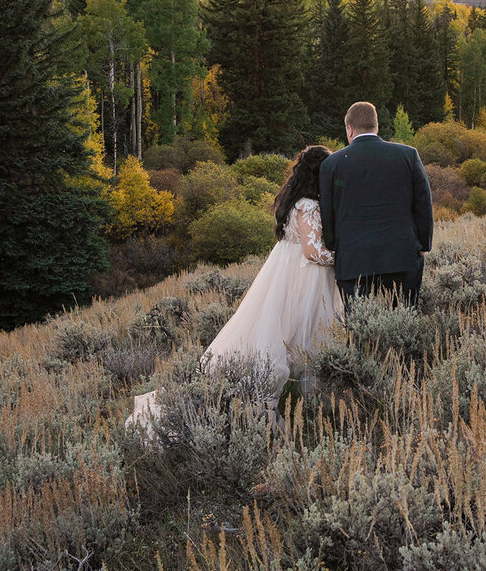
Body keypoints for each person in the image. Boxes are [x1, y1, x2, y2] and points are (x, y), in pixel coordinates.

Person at [127, 145, 341, 428]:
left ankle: (301, 399)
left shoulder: (295, 201)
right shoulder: (309, 205)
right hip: (304, 276)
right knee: (299, 330)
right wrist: (342, 258)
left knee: (288, 328)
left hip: (287, 271)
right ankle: (293, 402)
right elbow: (312, 252)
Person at [319, 101, 433, 311]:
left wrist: (336, 246)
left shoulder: (331, 164)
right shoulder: (408, 155)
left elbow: (328, 213)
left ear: (349, 129)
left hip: (354, 260)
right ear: (376, 126)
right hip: (402, 255)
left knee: (360, 330)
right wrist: (422, 244)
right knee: (404, 325)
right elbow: (423, 203)